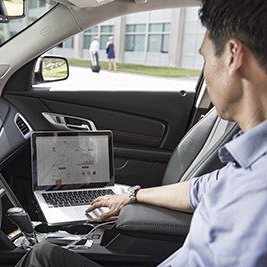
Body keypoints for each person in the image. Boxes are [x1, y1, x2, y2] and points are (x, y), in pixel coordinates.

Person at [16, 0, 267, 266]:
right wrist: (130, 196)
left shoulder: (255, 200)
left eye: (205, 58)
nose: (206, 74)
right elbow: (198, 188)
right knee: (44, 254)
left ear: (232, 56)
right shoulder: (248, 161)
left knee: (41, 257)